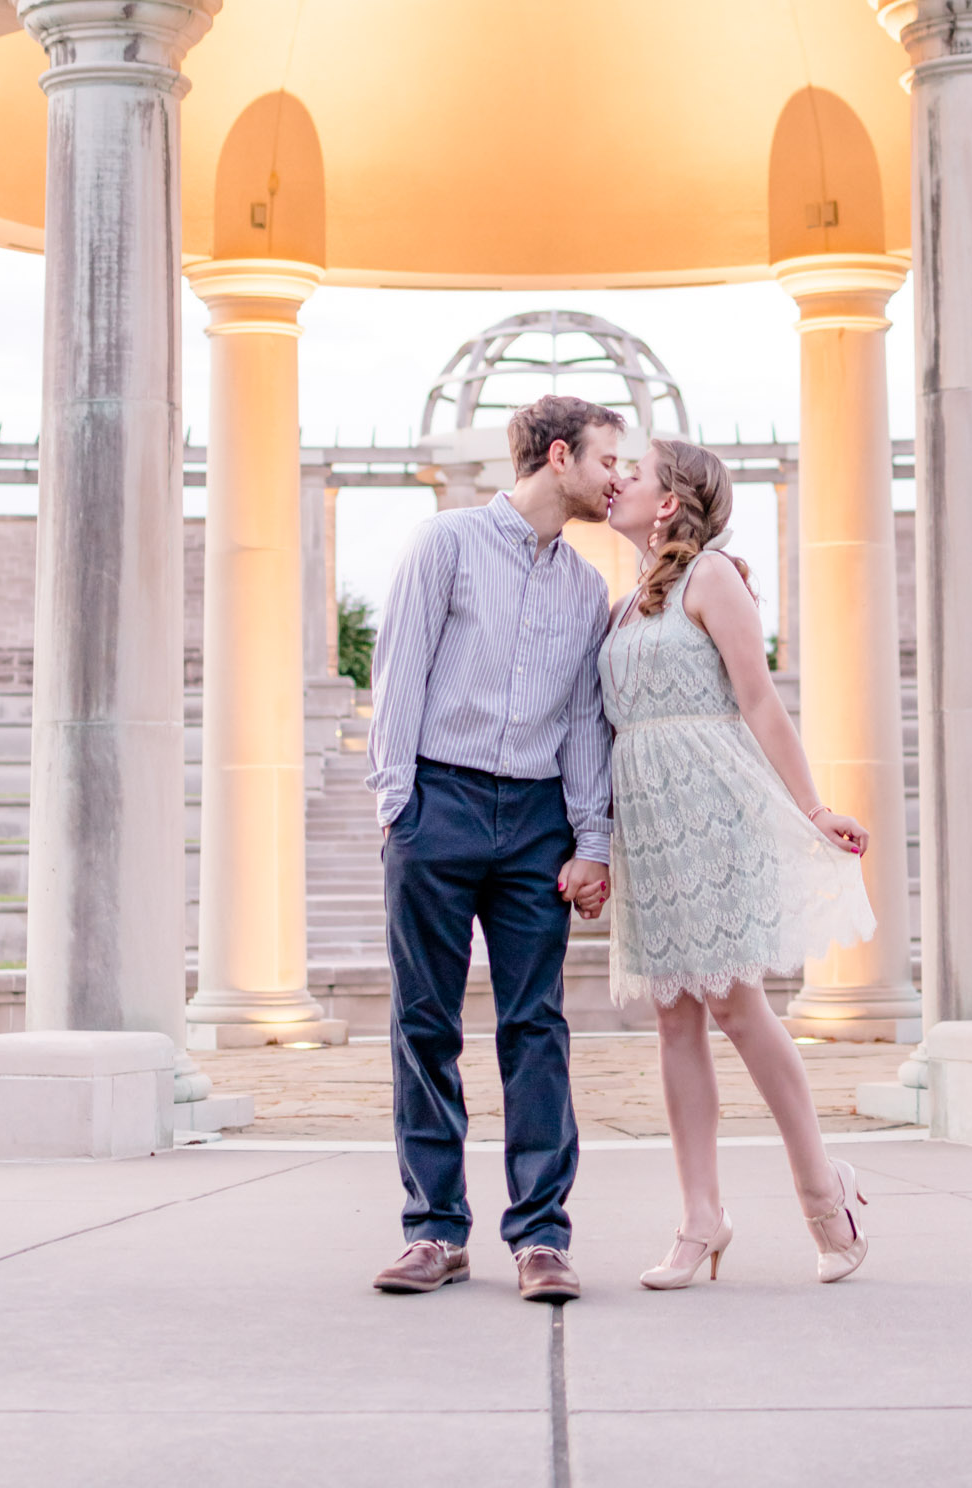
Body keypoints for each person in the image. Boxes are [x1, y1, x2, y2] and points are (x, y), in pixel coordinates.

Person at [603, 437, 876, 1289]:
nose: (618, 482)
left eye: (635, 474)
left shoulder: (712, 577)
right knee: (672, 1014)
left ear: (671, 503)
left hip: (711, 808)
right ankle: (700, 1220)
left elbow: (758, 697)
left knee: (733, 1002)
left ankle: (823, 1194)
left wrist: (812, 806)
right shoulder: (621, 605)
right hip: (646, 819)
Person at [367, 395, 620, 1303]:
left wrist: (591, 839)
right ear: (560, 458)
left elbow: (588, 725)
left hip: (537, 823)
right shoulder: (445, 546)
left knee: (535, 1027)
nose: (614, 478)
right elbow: (398, 673)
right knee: (425, 1026)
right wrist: (401, 804)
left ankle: (541, 1237)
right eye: (605, 461)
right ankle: (434, 1232)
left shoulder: (587, 587)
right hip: (441, 799)